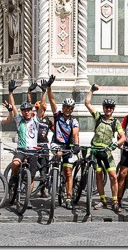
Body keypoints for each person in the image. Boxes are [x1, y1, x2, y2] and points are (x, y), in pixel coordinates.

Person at [84, 84, 127, 211]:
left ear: (113, 109)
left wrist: (116, 144)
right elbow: (87, 103)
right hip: (95, 150)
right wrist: (91, 90)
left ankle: (114, 201)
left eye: (110, 107)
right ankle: (102, 200)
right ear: (103, 108)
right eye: (106, 107)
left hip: (107, 151)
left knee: (113, 175)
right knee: (98, 175)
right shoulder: (98, 117)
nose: (108, 109)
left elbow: (123, 137)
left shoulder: (115, 122)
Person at [45, 75, 81, 209]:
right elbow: (52, 100)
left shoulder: (74, 121)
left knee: (68, 172)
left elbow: (76, 134)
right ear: (64, 107)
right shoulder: (57, 115)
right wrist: (49, 87)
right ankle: (53, 175)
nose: (68, 110)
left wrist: (76, 145)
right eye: (66, 107)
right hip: (56, 144)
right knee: (58, 154)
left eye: (70, 108)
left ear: (72, 110)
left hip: (68, 146)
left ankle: (68, 197)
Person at [4, 80, 41, 202]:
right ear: (22, 112)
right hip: (21, 149)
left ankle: (27, 199)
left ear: (31, 111)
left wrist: (44, 91)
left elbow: (41, 108)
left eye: (28, 110)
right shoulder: (19, 120)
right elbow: (13, 107)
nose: (26, 112)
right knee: (15, 163)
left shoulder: (35, 120)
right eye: (24, 110)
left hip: (33, 151)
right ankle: (14, 177)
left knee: (31, 176)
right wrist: (10, 93)